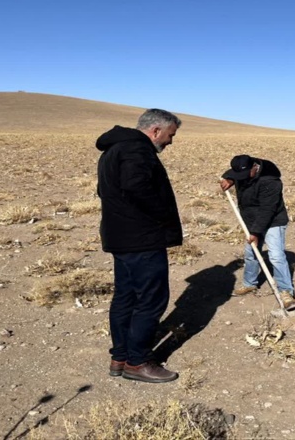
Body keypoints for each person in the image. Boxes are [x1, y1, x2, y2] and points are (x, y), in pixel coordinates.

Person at [96, 108, 183, 383]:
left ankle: (120, 357)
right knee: (150, 300)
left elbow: (108, 190)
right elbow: (137, 188)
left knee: (126, 297)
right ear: (156, 130)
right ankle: (138, 361)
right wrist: (161, 217)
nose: (170, 141)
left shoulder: (113, 150)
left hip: (121, 238)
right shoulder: (137, 150)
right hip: (142, 239)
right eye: (170, 135)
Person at [220, 155, 295, 310]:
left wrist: (256, 233)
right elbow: (233, 172)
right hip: (250, 219)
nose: (241, 179)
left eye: (243, 176)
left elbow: (267, 211)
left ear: (254, 167)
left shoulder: (271, 181)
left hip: (273, 221)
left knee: (276, 256)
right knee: (251, 253)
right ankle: (250, 284)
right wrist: (230, 179)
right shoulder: (244, 170)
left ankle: (286, 292)